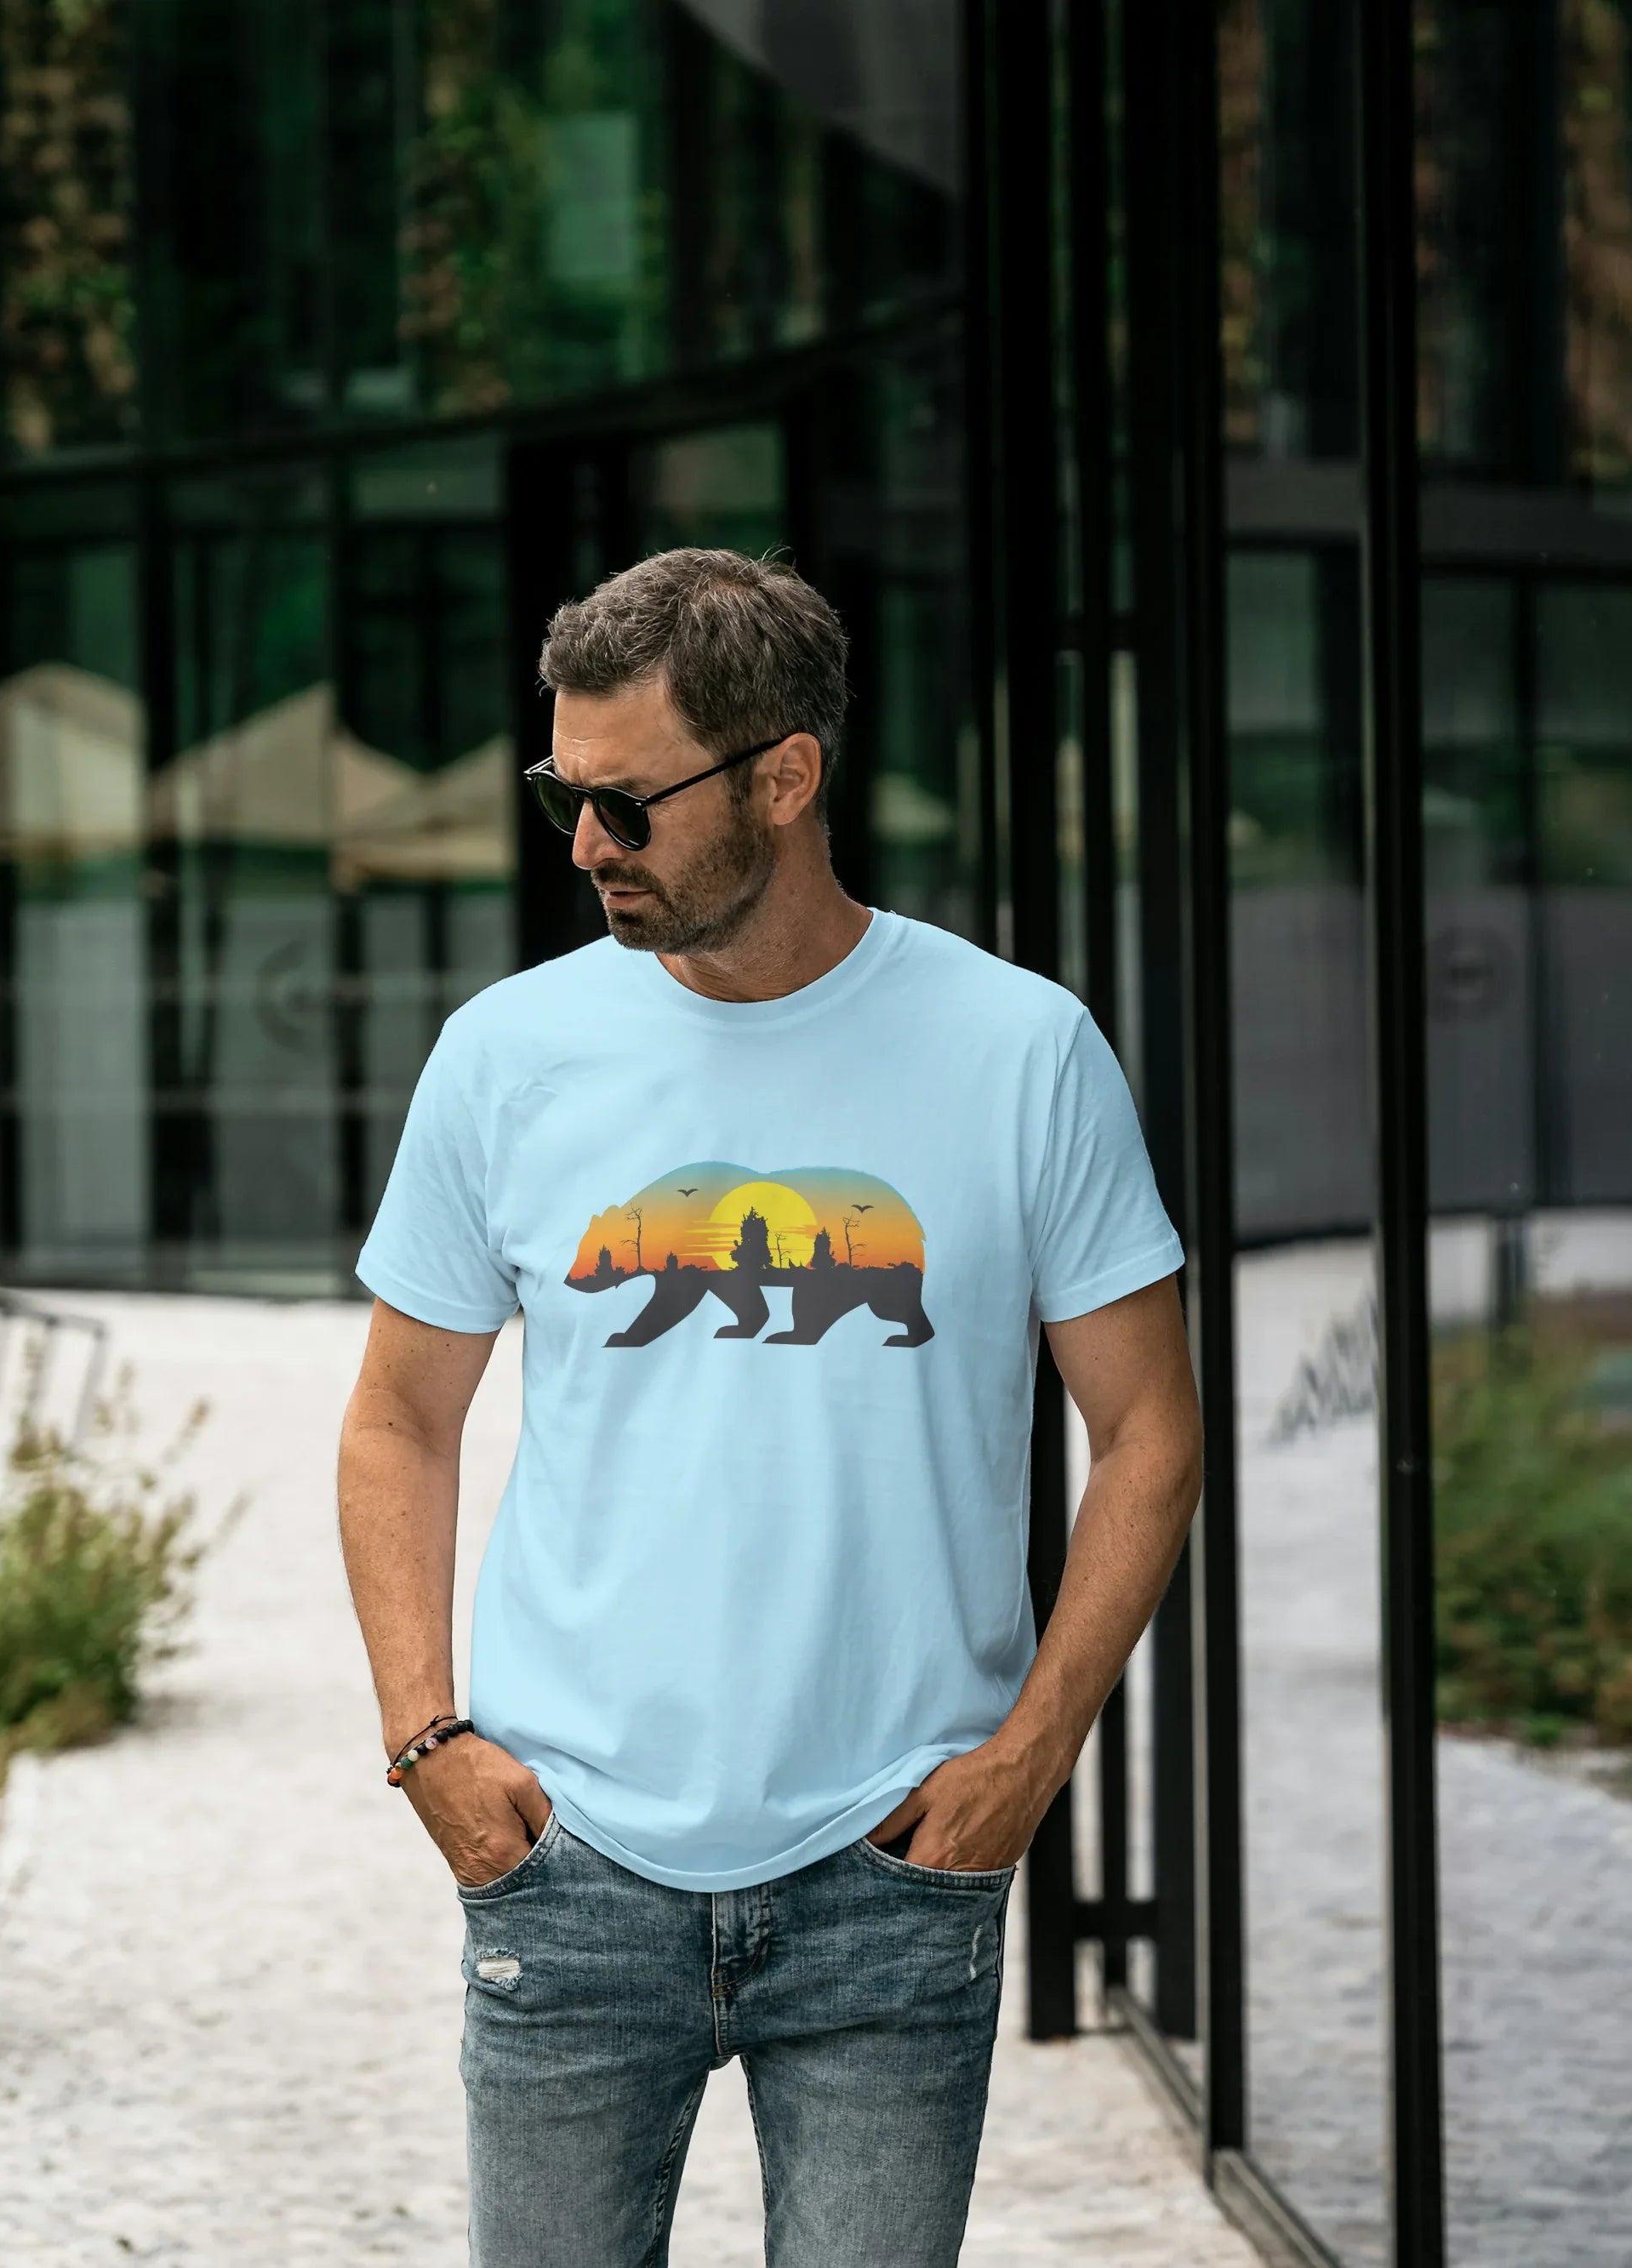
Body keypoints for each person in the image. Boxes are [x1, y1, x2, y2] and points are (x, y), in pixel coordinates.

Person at [336, 548, 1203, 2266]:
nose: (585, 845)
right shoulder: (506, 1055)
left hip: (892, 1866)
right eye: (561, 796)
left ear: (784, 776)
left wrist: (1029, 1760)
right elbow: (396, 1420)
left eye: (626, 805)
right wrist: (427, 1739)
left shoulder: (1022, 1051)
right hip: (568, 1860)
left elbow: (1151, 1433)